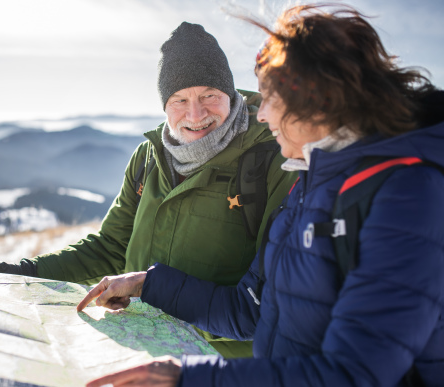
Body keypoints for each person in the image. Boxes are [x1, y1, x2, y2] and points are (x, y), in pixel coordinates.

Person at [77, 4, 444, 386]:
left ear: (318, 100)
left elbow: (354, 374)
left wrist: (189, 379)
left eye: (271, 98)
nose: (262, 114)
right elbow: (249, 310)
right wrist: (145, 284)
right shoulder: (309, 187)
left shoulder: (408, 194)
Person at [0, 21, 297, 358]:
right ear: (163, 104)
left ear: (229, 95)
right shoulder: (149, 157)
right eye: (179, 99)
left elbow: (264, 303)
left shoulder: (273, 161)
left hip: (223, 368)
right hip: (141, 356)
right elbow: (111, 247)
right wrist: (27, 274)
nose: (196, 113)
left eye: (209, 96)